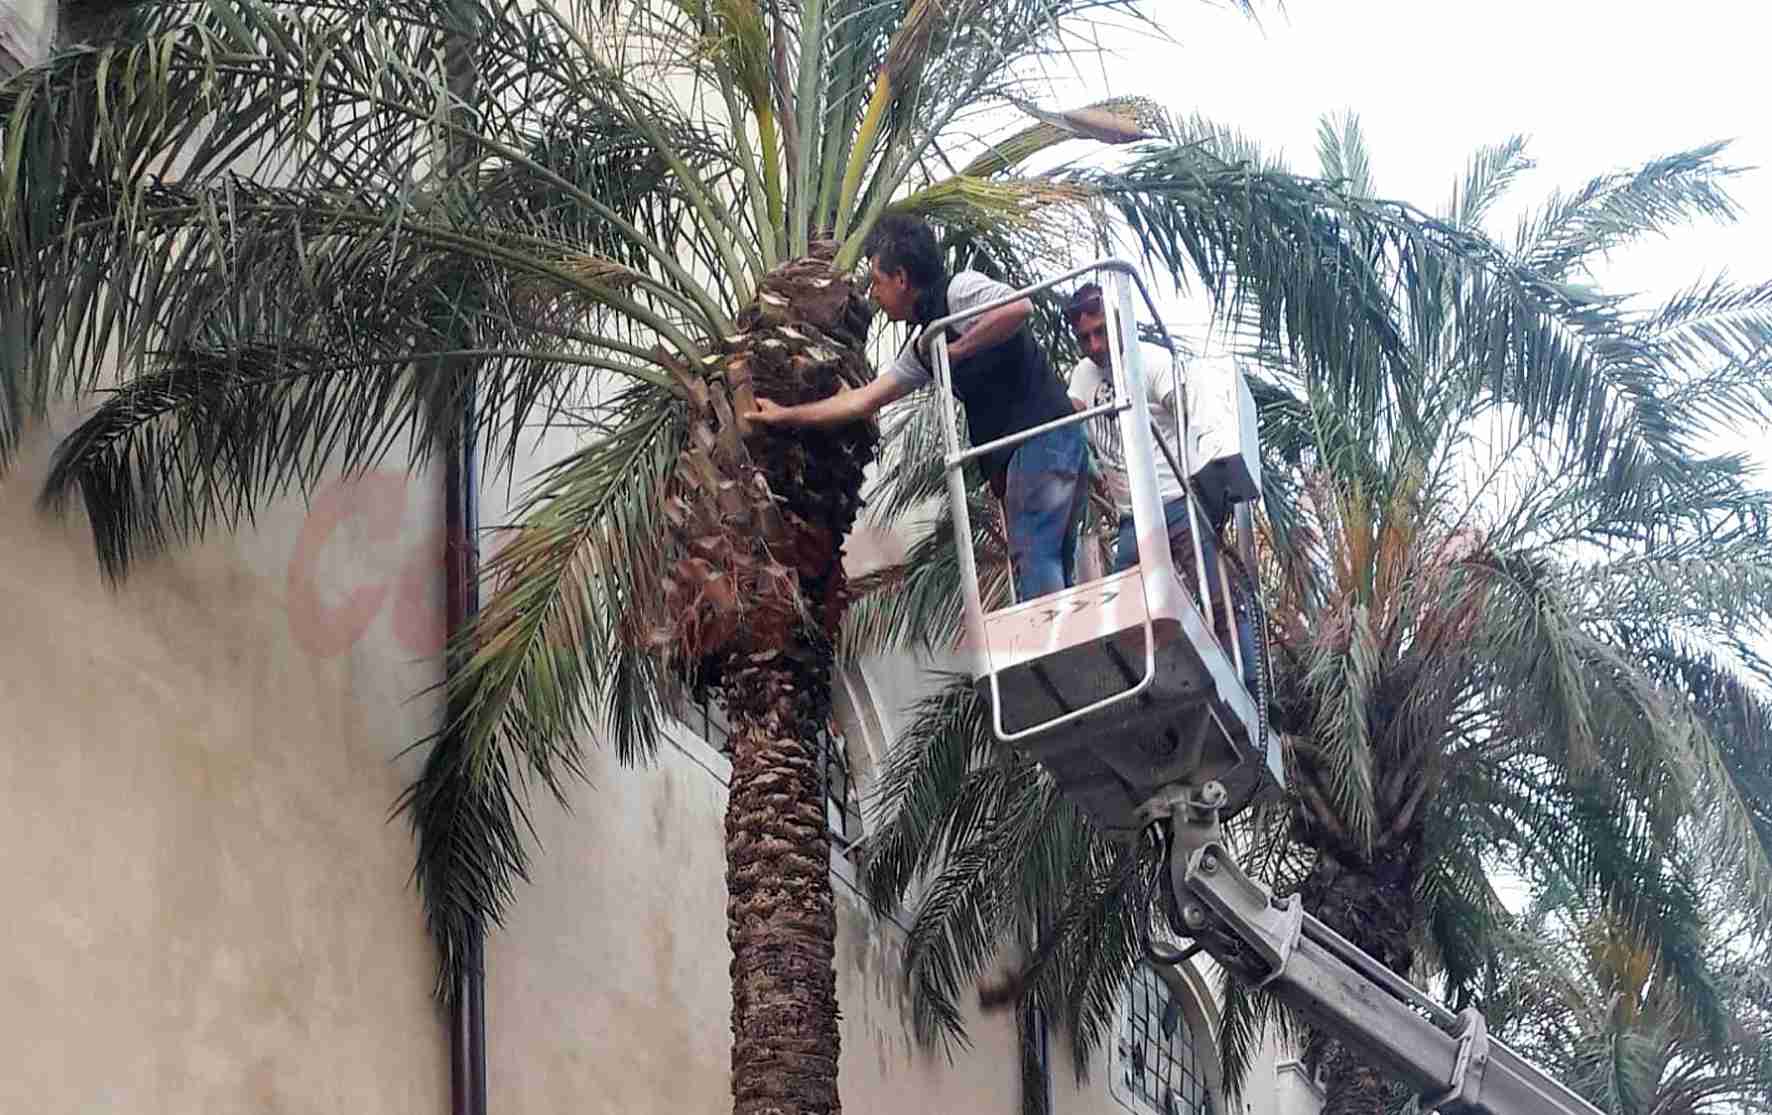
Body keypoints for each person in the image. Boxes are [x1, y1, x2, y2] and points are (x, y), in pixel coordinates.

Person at [746, 215, 1088, 603]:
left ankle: (1050, 640)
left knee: (1036, 554)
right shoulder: (925, 345)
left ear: (902, 279)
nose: (873, 293)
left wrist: (956, 349)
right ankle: (1063, 641)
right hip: (1033, 451)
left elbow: (1018, 309)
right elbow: (865, 400)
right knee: (1050, 558)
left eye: (877, 281)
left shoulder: (960, 292)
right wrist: (783, 415)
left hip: (1044, 438)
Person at [1063, 282, 1258, 680]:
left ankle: (1252, 685)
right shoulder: (1083, 375)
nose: (1095, 344)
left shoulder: (1149, 361)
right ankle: (1140, 682)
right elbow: (1072, 414)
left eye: (1101, 332)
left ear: (1117, 323)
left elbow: (1190, 412)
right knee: (1125, 613)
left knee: (1218, 599)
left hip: (1176, 503)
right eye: (1085, 337)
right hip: (1132, 517)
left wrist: (1208, 488)